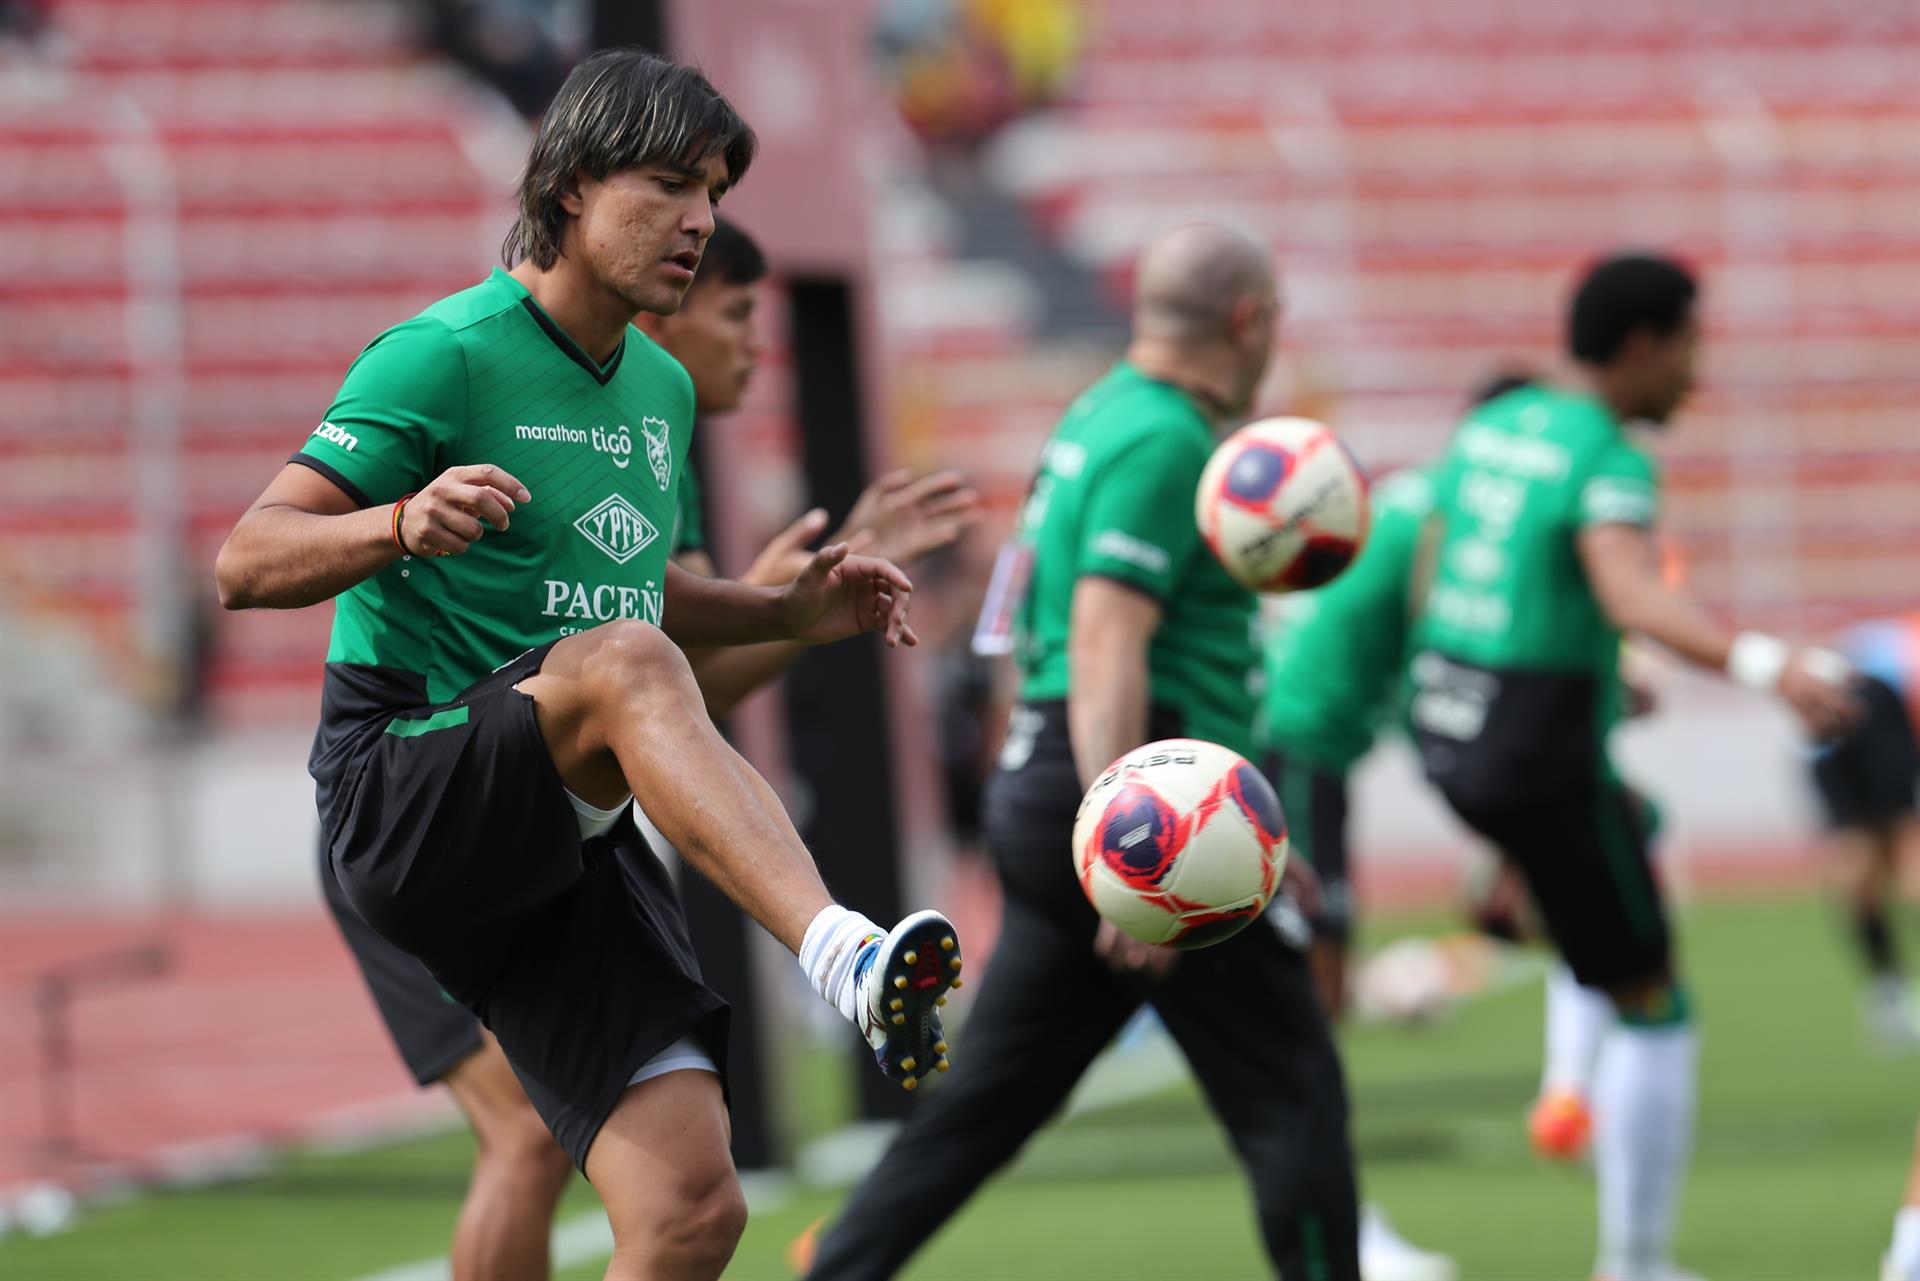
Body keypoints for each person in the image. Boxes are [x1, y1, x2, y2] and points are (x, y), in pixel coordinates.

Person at [217, 52, 964, 1281]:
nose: (701, 220)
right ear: (568, 186)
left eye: (714, 191)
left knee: (687, 1210)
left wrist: (789, 606)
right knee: (628, 665)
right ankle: (845, 955)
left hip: (559, 823)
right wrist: (394, 522)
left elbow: (636, 590)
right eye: (669, 183)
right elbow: (248, 559)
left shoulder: (659, 388)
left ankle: (846, 959)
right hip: (403, 780)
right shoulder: (441, 354)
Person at [800, 222, 1361, 1281]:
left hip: (1075, 780)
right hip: (1145, 806)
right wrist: (1133, 866)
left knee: (984, 1110)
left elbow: (1032, 627)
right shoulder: (1166, 438)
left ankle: (835, 1271)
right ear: (1246, 322)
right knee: (1294, 1094)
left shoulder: (1098, 416)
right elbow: (1106, 638)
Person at [1405, 251, 1858, 1281]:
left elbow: (1438, 558)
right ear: (1644, 346)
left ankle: (1566, 1072)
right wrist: (1768, 664)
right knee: (1656, 996)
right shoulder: (1606, 455)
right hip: (1539, 753)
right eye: (1691, 350)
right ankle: (1636, 1265)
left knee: (1612, 880)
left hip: (1453, 731)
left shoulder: (1494, 424)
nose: (1696, 378)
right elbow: (1631, 595)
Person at [1806, 613, 1920, 1047]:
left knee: (1907, 879)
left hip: (1890, 771)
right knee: (1860, 878)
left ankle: (1889, 993)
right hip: (1860, 781)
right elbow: (1822, 763)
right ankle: (1887, 991)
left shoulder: (1888, 683)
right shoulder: (1851, 695)